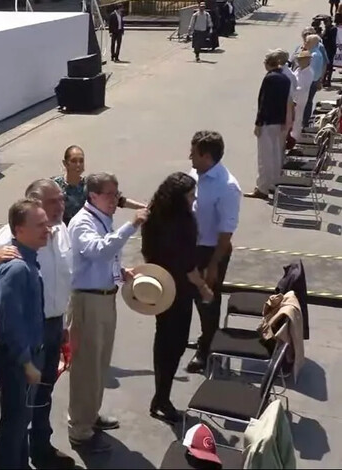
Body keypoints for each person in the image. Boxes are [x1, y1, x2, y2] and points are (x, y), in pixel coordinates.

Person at [0, 179, 75, 469]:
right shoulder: (11, 241)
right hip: (28, 334)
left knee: (42, 397)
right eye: (53, 202)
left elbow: (65, 278)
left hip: (54, 326)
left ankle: (40, 450)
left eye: (61, 200)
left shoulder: (61, 231)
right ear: (34, 203)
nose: (61, 206)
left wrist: (65, 324)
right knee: (17, 414)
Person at [67, 173, 148, 452]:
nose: (115, 199)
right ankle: (80, 429)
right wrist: (132, 225)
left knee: (99, 363)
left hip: (103, 297)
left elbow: (105, 258)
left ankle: (90, 414)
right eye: (109, 194)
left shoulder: (101, 218)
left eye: (116, 193)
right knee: (86, 366)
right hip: (88, 302)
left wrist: (119, 273)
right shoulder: (82, 223)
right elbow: (99, 250)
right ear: (93, 196)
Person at [141, 172, 213, 423]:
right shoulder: (184, 223)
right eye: (190, 196)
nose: (194, 200)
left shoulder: (154, 217)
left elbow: (147, 253)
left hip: (160, 287)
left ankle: (160, 394)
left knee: (163, 342)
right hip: (179, 290)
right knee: (176, 343)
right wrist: (204, 288)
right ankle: (162, 397)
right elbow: (189, 266)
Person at [0, 198, 50, 469]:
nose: (46, 229)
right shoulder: (17, 268)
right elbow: (11, 321)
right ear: (19, 230)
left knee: (20, 423)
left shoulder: (28, 260)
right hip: (18, 361)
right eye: (39, 225)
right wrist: (27, 362)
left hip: (28, 356)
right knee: (13, 427)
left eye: (46, 223)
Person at [186, 131, 241, 374]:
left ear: (206, 156)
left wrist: (214, 265)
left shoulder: (227, 187)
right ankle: (205, 337)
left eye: (194, 152)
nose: (190, 156)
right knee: (192, 297)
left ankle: (207, 347)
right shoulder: (196, 174)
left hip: (211, 250)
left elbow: (227, 231)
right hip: (192, 247)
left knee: (207, 299)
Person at [53, 145, 147, 225]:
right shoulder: (55, 186)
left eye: (81, 161)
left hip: (87, 233)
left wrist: (143, 207)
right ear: (65, 163)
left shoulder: (90, 185)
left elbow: (119, 200)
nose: (78, 164)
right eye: (74, 161)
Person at [246, 50, 292, 200]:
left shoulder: (269, 79)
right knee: (275, 154)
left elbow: (264, 103)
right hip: (279, 121)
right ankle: (273, 182)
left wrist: (258, 122)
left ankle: (262, 188)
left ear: (268, 64)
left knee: (264, 156)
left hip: (268, 121)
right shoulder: (285, 79)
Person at [291, 51, 315, 140]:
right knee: (292, 117)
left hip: (300, 97)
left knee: (298, 117)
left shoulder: (309, 72)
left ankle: (295, 137)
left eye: (301, 60)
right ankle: (291, 135)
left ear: (307, 60)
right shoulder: (298, 70)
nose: (299, 61)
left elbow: (303, 88)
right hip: (294, 96)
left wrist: (293, 90)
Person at [322, 15, 338, 87]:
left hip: (331, 49)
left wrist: (327, 30)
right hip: (325, 48)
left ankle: (328, 80)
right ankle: (324, 79)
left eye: (326, 21)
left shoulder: (333, 29)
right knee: (325, 65)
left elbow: (330, 38)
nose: (325, 23)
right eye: (324, 22)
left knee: (329, 65)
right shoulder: (326, 28)